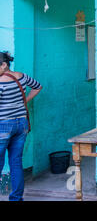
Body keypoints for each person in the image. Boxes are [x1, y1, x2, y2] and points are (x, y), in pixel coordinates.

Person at [0, 51, 42, 201]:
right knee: (16, 162)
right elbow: (37, 86)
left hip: (3, 126)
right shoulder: (22, 77)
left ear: (4, 65)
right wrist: (25, 101)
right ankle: (16, 198)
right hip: (21, 124)